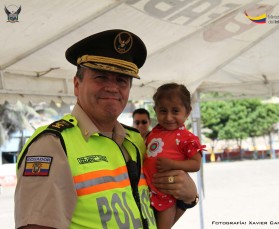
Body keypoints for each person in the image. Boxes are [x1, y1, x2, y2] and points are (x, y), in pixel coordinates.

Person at [14, 29, 199, 229]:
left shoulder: (136, 142)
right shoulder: (52, 145)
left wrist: (188, 198)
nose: (112, 87)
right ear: (77, 84)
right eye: (101, 77)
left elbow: (151, 219)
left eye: (121, 80)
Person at [144, 83, 206, 229]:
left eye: (175, 111)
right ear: (155, 110)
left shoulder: (188, 138)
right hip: (145, 194)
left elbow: (196, 164)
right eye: (163, 111)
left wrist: (172, 164)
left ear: (188, 112)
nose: (169, 117)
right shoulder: (153, 133)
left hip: (167, 197)